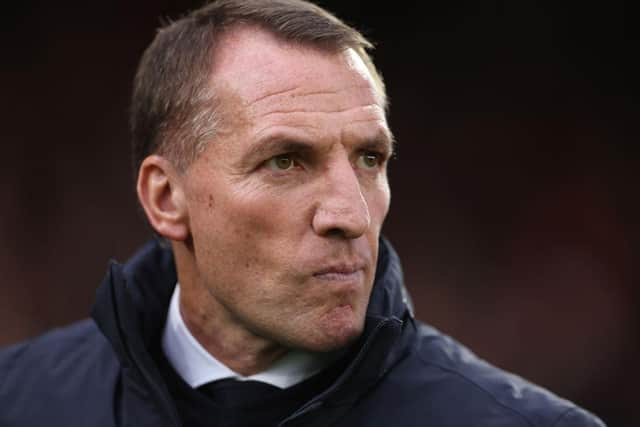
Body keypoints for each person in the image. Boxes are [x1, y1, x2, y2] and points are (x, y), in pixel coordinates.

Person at [0, 1, 605, 426]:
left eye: (370, 158)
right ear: (166, 198)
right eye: (286, 161)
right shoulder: (17, 399)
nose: (351, 214)